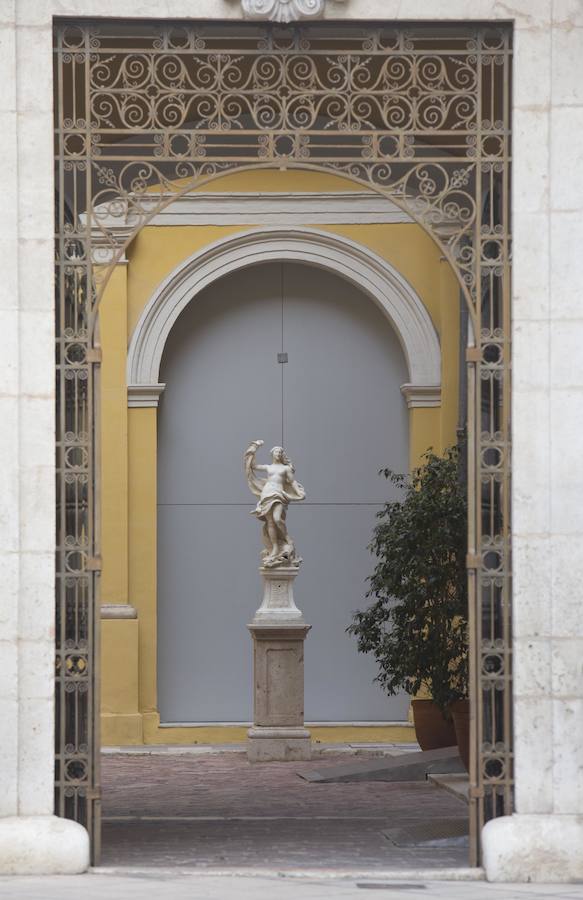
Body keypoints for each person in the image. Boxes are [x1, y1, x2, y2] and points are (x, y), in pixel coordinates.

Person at [244, 439, 305, 567]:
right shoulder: (269, 467)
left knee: (277, 519)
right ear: (272, 454)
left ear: (282, 455)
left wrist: (299, 492)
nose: (278, 453)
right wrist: (254, 450)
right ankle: (275, 548)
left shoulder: (286, 468)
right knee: (270, 522)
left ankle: (287, 538)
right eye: (276, 451)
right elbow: (253, 466)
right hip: (267, 493)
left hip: (279, 494)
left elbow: (292, 482)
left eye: (280, 452)